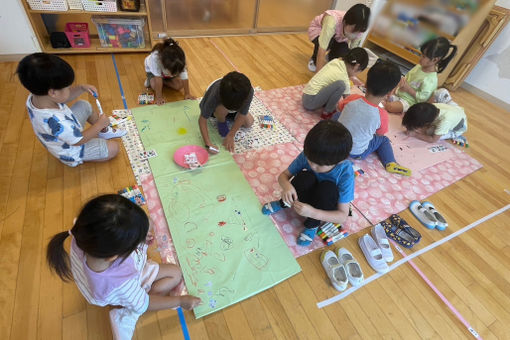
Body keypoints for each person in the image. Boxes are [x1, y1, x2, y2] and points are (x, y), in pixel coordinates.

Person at [46, 194, 201, 340]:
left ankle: (131, 303)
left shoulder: (84, 231)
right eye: (135, 241)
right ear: (115, 256)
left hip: (100, 287)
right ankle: (127, 314)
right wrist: (180, 301)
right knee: (175, 274)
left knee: (149, 226)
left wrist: (140, 235)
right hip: (120, 289)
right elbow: (146, 304)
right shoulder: (121, 282)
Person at [17, 53, 126, 167]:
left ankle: (104, 132)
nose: (69, 89)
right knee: (114, 148)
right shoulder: (59, 123)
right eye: (67, 88)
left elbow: (63, 97)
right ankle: (74, 160)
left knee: (83, 104)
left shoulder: (38, 96)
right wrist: (99, 125)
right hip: (71, 149)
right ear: (53, 92)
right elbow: (78, 141)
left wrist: (81, 88)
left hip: (68, 132)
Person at [261, 120, 354, 247]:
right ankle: (284, 202)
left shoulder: (345, 172)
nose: (313, 165)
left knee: (328, 188)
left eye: (319, 164)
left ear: (339, 161)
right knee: (305, 176)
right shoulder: (309, 154)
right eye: (310, 160)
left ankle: (312, 226)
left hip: (324, 203)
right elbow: (283, 176)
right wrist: (287, 187)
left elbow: (342, 216)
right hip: (305, 196)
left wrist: (313, 213)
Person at [336, 60, 411, 176]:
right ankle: (390, 163)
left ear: (365, 84)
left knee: (337, 116)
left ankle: (328, 133)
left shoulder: (352, 98)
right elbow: (379, 134)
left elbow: (340, 107)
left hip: (336, 143)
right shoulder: (382, 115)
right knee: (384, 140)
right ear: (391, 92)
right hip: (356, 152)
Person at [383, 37, 457, 114]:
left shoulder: (430, 79)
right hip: (399, 93)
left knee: (390, 107)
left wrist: (408, 89)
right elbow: (407, 77)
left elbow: (423, 99)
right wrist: (398, 85)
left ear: (435, 60)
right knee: (382, 91)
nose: (420, 58)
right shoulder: (419, 66)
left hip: (410, 102)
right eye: (421, 54)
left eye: (424, 56)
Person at [302, 47, 368, 120]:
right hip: (310, 102)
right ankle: (327, 112)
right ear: (356, 67)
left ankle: (326, 105)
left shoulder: (336, 61)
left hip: (306, 95)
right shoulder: (343, 76)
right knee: (340, 85)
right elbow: (347, 99)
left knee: (336, 85)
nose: (356, 75)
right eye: (359, 72)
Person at [198, 71, 254, 153]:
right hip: (218, 108)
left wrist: (231, 134)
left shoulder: (249, 92)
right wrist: (208, 144)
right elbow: (202, 120)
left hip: (232, 105)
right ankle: (221, 121)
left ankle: (226, 114)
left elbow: (242, 114)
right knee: (222, 109)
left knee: (249, 122)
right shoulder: (215, 94)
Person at [307, 4, 371, 73]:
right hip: (318, 31)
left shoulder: (359, 29)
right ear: (345, 22)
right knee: (327, 43)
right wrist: (318, 74)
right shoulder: (331, 21)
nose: (356, 33)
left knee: (344, 51)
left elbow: (353, 51)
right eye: (353, 30)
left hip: (338, 37)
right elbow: (322, 48)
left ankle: (330, 56)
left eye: (359, 31)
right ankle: (314, 60)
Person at [144, 38, 195, 105]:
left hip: (169, 71)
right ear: (164, 64)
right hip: (153, 72)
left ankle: (163, 82)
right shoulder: (155, 58)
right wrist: (159, 97)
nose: (177, 74)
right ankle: (150, 80)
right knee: (154, 86)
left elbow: (184, 75)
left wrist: (187, 93)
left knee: (179, 86)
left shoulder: (180, 56)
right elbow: (158, 78)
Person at [402, 102, 468, 143]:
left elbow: (433, 140)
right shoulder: (431, 107)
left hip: (458, 127)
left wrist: (415, 134)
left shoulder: (445, 121)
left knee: (430, 133)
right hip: (455, 111)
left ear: (426, 123)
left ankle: (454, 134)